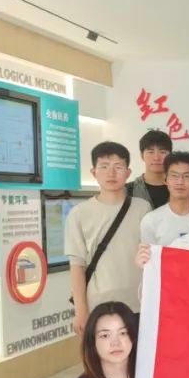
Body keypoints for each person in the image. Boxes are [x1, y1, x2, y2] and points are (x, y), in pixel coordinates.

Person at [66, 142, 150, 336]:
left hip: (138, 304)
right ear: (93, 172)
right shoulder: (79, 214)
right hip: (98, 306)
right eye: (104, 166)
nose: (111, 173)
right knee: (103, 355)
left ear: (128, 173)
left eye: (118, 167)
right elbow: (77, 266)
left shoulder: (143, 208)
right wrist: (80, 310)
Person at [139, 152, 189, 246]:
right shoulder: (151, 220)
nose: (180, 182)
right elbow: (150, 255)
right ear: (165, 179)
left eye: (186, 176)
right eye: (174, 176)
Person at [127, 130, 172, 209]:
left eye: (162, 152)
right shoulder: (127, 190)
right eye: (151, 152)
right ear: (142, 155)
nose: (156, 158)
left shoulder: (180, 188)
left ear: (170, 155)